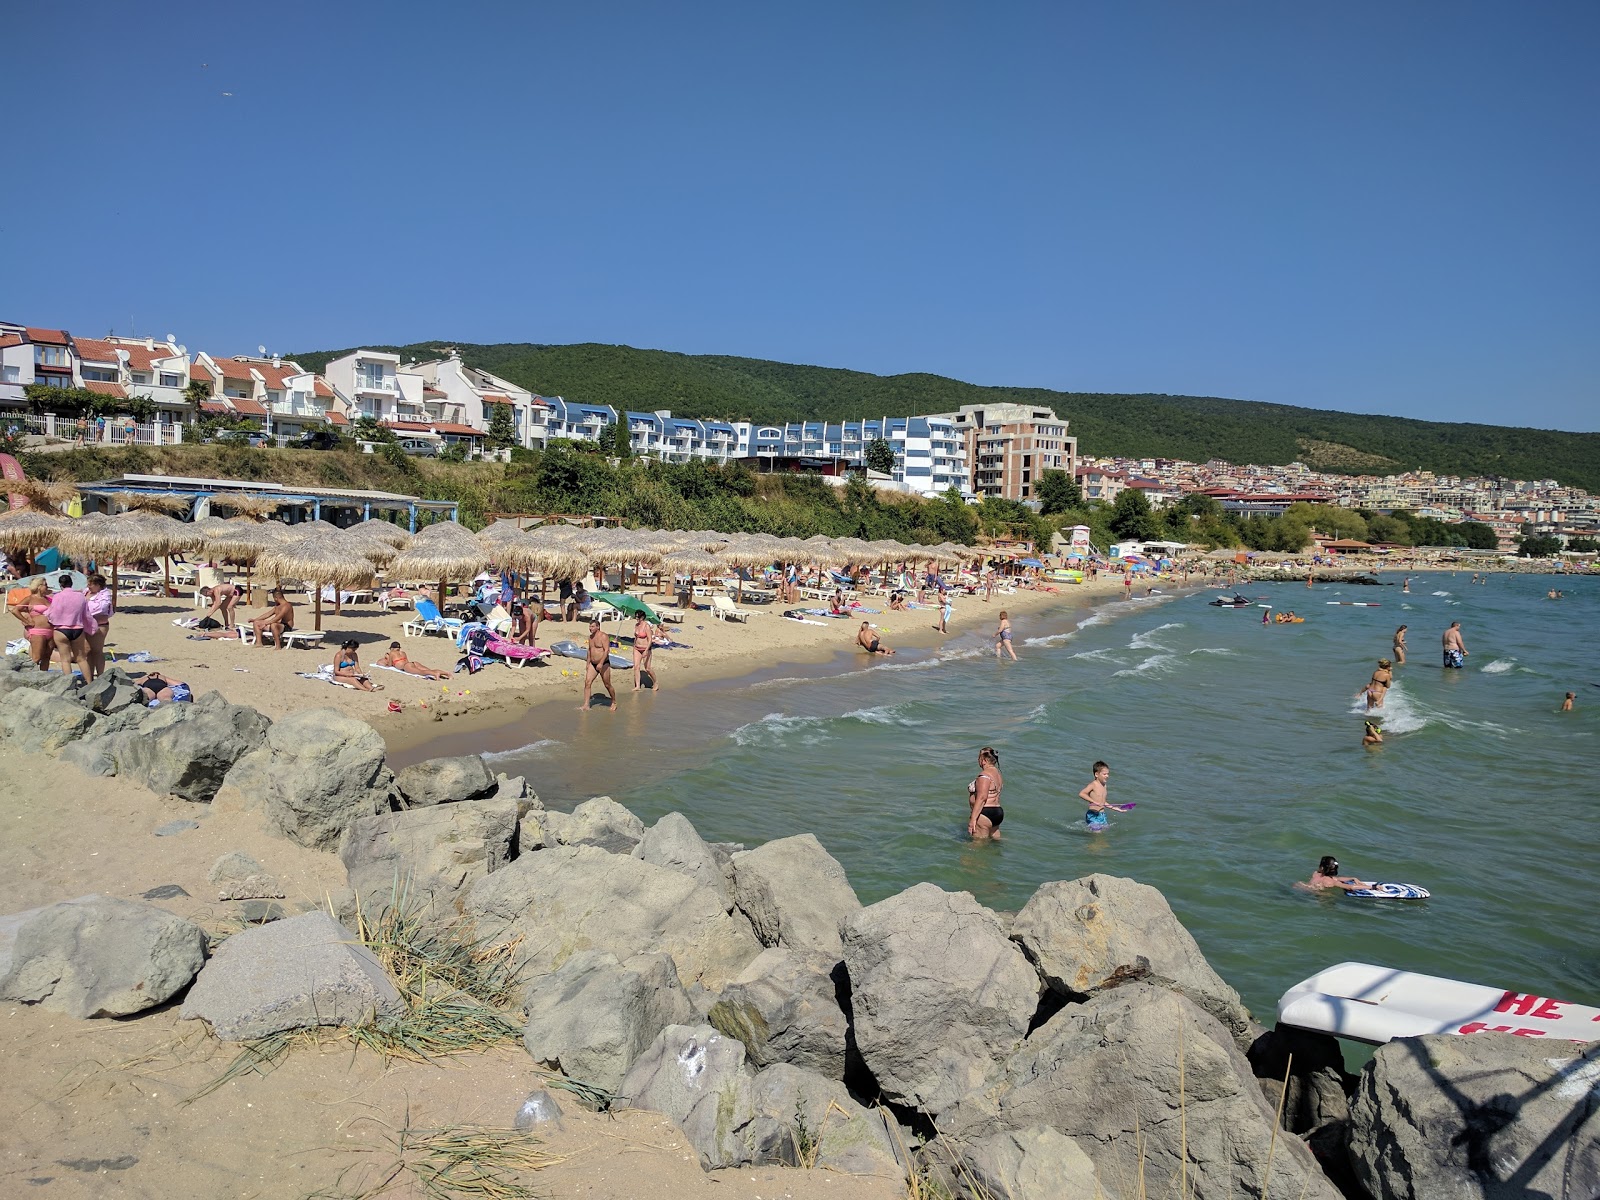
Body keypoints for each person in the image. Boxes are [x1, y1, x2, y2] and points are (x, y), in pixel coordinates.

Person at [46, 573, 95, 682]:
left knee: (65, 660)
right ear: (72, 584)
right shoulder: (81, 596)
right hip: (77, 629)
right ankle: (90, 683)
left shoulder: (57, 596)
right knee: (81, 659)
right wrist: (92, 628)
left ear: (60, 585)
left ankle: (70, 684)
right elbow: (87, 614)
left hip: (61, 629)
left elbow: (52, 614)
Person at [579, 617, 617, 711]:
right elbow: (590, 650)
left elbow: (606, 650)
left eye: (592, 626)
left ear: (598, 627)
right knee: (587, 682)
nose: (590, 628)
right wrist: (588, 663)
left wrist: (601, 663)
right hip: (593, 663)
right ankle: (586, 704)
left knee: (607, 684)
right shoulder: (590, 637)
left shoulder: (604, 636)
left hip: (603, 663)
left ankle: (614, 701)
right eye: (589, 626)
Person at [967, 746, 1003, 840]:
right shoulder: (998, 774)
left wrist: (973, 819)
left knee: (976, 846)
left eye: (979, 758)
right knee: (996, 843)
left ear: (984, 760)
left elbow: (982, 798)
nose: (978, 760)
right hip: (997, 812)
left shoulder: (984, 775)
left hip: (984, 813)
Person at [84, 573, 114, 677]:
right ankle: (89, 675)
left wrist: (86, 604)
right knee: (87, 651)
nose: (88, 586)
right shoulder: (86, 592)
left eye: (91, 584)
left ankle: (100, 674)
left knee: (97, 650)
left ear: (98, 585)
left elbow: (101, 608)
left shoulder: (105, 595)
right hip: (86, 624)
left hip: (100, 625)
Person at [375, 641, 451, 680]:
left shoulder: (392, 653)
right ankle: (446, 673)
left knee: (421, 672)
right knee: (428, 669)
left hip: (406, 666)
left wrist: (386, 661)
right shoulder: (403, 652)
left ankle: (436, 675)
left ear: (392, 648)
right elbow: (406, 660)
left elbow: (390, 665)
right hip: (412, 663)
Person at [1299, 856, 1373, 893]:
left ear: (1321, 868)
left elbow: (1337, 878)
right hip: (1318, 895)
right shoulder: (1332, 882)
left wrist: (1353, 878)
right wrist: (1372, 887)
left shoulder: (1316, 873)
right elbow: (1351, 887)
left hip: (1302, 888)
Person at [1079, 760, 1111, 832]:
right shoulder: (1093, 784)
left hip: (1102, 815)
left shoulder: (1104, 786)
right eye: (1104, 774)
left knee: (1105, 831)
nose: (1107, 776)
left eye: (1108, 774)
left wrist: (1117, 809)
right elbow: (1082, 793)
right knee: (1097, 834)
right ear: (1096, 774)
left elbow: (1103, 802)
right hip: (1093, 815)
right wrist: (1094, 802)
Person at [632, 613, 658, 691]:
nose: (636, 618)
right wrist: (634, 647)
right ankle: (637, 686)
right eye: (635, 616)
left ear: (642, 617)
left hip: (645, 648)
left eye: (638, 617)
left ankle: (655, 682)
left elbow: (650, 640)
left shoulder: (646, 626)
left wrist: (646, 650)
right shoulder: (636, 625)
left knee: (647, 668)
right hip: (637, 648)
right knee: (636, 667)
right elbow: (636, 638)